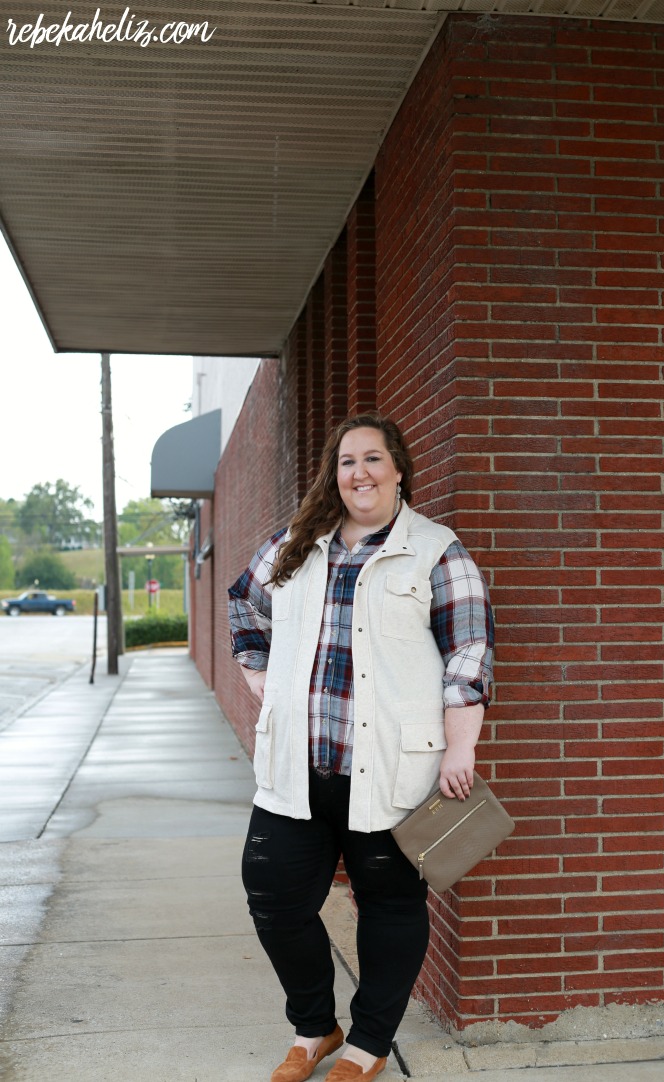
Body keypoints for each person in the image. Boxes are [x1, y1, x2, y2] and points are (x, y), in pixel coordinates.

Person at [228, 413, 494, 1082]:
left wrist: (461, 750)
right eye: (347, 461)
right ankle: (315, 1026)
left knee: (389, 906)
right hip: (297, 765)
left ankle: (369, 1043)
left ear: (399, 468)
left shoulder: (437, 549)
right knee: (273, 894)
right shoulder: (294, 546)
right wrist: (265, 685)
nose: (359, 473)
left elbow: (469, 654)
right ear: (334, 474)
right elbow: (244, 608)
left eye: (373, 459)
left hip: (390, 768)